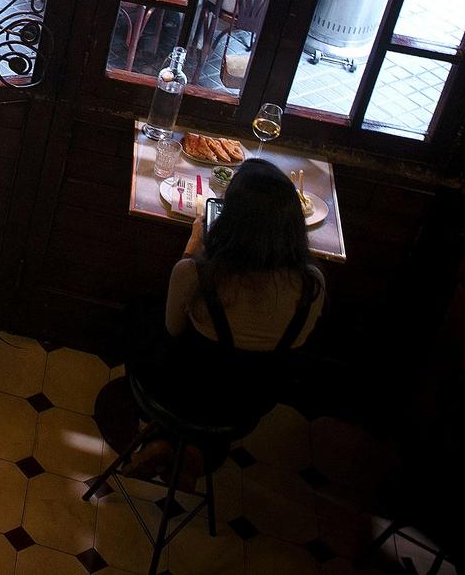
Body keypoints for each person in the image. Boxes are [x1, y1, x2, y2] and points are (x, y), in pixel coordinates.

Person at [127, 159, 325, 477]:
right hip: (248, 404)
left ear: (228, 220)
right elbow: (298, 343)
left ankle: (154, 432)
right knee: (227, 377)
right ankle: (198, 450)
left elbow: (172, 329)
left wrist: (192, 248)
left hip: (181, 392)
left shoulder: (198, 272)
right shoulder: (311, 283)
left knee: (141, 316)